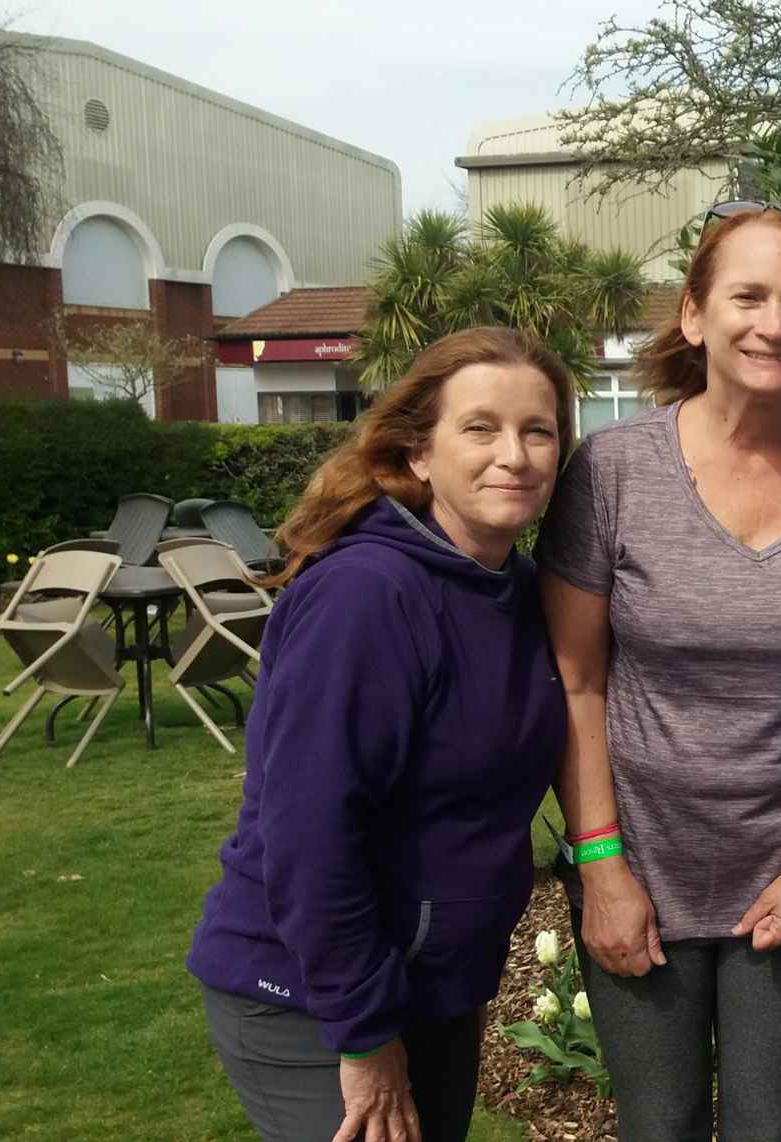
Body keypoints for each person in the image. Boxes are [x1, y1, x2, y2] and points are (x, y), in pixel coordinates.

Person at [533, 201, 781, 1141]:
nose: (773, 323)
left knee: (768, 1125)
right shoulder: (613, 471)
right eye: (748, 295)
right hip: (640, 865)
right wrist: (602, 867)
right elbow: (576, 682)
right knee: (655, 1126)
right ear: (695, 315)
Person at [187, 327, 575, 1142]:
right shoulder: (365, 597)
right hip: (308, 995)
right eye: (480, 428)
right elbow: (308, 832)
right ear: (419, 454)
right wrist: (363, 1032)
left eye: (538, 431)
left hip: (431, 987)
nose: (515, 454)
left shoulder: (514, 589)